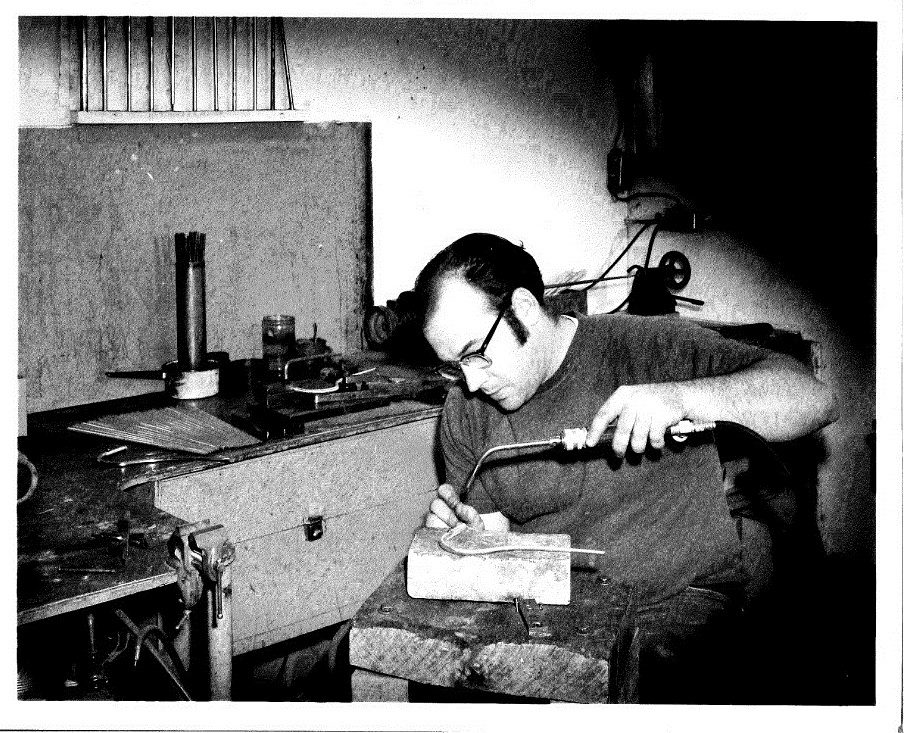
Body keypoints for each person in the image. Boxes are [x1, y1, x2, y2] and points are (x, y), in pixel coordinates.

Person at [413, 232, 838, 703]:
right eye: (454, 367)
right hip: (548, 615)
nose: (470, 382)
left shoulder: (647, 347)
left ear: (524, 310)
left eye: (476, 353)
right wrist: (475, 535)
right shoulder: (464, 410)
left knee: (631, 689)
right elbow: (495, 536)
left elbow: (815, 399)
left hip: (673, 605)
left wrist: (681, 398)